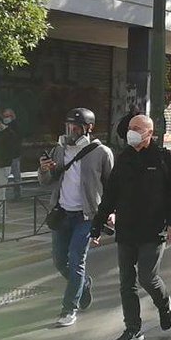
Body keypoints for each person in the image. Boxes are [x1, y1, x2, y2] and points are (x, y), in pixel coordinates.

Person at [91, 115, 171, 340]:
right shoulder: (123, 160)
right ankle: (132, 328)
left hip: (153, 230)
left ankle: (164, 304)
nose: (130, 132)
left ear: (148, 133)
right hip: (126, 230)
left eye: (136, 129)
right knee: (126, 282)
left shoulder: (164, 158)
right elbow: (110, 195)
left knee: (147, 277)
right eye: (129, 128)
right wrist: (97, 225)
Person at [38, 108, 114, 327]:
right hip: (62, 213)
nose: (71, 131)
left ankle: (69, 308)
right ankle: (84, 285)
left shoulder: (101, 152)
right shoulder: (59, 150)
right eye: (69, 126)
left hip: (86, 216)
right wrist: (44, 170)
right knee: (60, 260)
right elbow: (46, 181)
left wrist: (110, 213)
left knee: (76, 260)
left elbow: (111, 186)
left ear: (88, 128)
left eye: (76, 127)